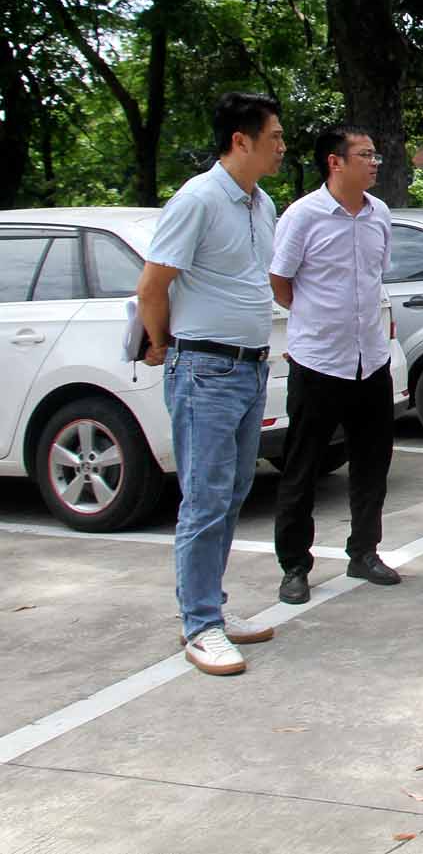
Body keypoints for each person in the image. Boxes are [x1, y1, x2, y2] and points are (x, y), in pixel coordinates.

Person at [136, 92, 284, 676]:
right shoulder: (197, 199)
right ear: (241, 141)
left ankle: (211, 608)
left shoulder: (262, 203)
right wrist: (160, 343)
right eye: (274, 137)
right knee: (204, 497)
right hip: (204, 369)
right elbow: (153, 286)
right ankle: (199, 624)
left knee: (234, 490)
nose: (282, 147)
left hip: (251, 366)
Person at [269, 125, 401, 605]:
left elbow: (376, 275)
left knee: (372, 463)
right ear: (335, 162)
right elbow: (280, 282)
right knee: (303, 467)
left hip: (371, 360)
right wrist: (315, 320)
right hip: (319, 361)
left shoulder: (379, 214)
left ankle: (364, 551)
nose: (374, 162)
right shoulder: (303, 216)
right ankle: (294, 565)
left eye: (375, 154)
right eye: (364, 155)